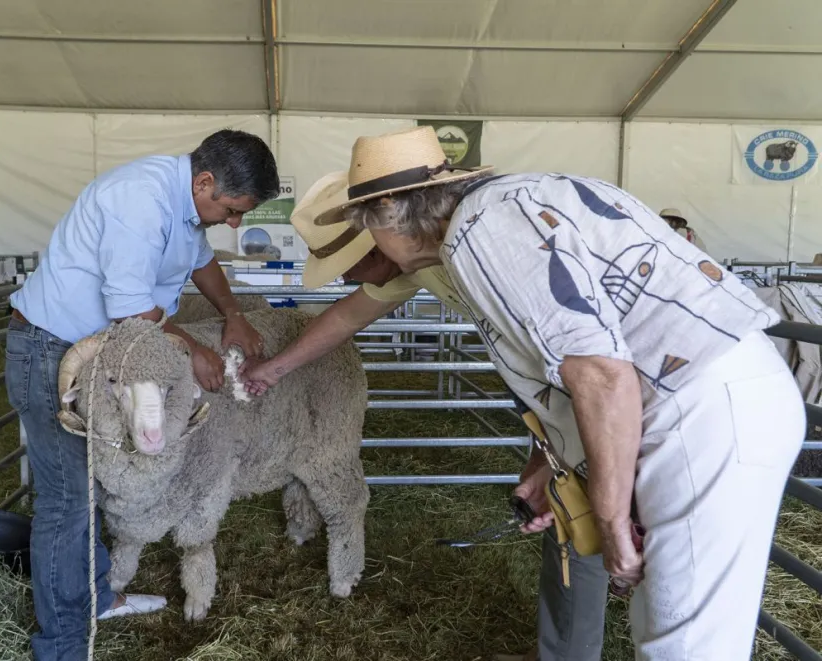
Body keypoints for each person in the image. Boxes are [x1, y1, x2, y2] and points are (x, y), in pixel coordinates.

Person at [306, 125, 806, 660]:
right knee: (671, 622)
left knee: (686, 644)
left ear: (388, 213)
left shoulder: (482, 233)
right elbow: (592, 362)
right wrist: (555, 465)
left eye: (369, 231)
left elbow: (601, 374)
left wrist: (611, 519)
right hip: (706, 395)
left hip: (698, 408)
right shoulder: (517, 201)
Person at [242, 170, 611, 661]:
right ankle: (565, 653)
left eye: (347, 268)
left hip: (616, 394)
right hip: (567, 396)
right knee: (573, 517)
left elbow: (584, 362)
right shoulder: (417, 263)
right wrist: (272, 370)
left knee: (618, 526)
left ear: (378, 245)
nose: (345, 280)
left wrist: (565, 452)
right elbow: (348, 317)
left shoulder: (483, 251)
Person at [5, 129, 279, 660]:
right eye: (232, 211)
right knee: (67, 497)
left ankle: (98, 597)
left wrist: (233, 314)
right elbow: (131, 309)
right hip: (52, 352)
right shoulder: (140, 199)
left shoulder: (187, 207)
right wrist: (193, 350)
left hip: (103, 354)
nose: (235, 223)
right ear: (204, 182)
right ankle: (62, 646)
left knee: (95, 481)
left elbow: (200, 264)